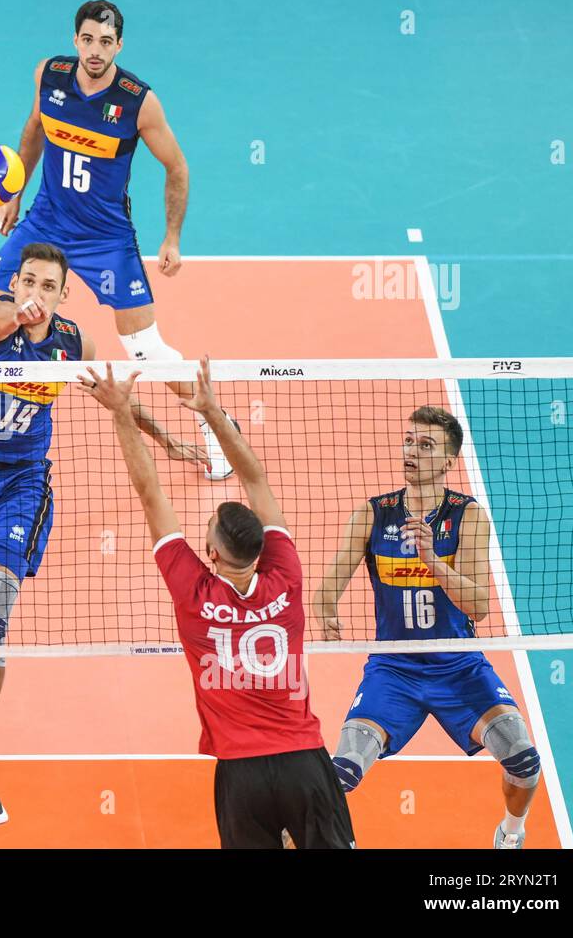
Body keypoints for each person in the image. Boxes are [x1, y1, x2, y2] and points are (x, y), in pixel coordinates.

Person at [0, 241, 207, 832]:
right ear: (16, 280)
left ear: (63, 293)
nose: (35, 292)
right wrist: (15, 313)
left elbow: (112, 394)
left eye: (48, 286)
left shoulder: (74, 342)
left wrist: (161, 438)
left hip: (21, 487)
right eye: (28, 280)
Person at [0, 0, 236, 478]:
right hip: (46, 221)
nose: (95, 50)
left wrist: (172, 238)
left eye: (106, 42)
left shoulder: (139, 101)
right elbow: (34, 128)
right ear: (75, 39)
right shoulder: (49, 75)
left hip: (106, 238)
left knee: (147, 350)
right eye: (87, 40)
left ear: (119, 45)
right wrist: (14, 191)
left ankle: (216, 426)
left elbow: (176, 166)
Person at [85, 357, 355, 848]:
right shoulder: (286, 578)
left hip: (241, 775)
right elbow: (256, 480)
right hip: (304, 764)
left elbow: (151, 494)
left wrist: (121, 412)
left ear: (210, 554)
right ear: (262, 548)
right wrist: (210, 411)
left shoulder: (193, 593)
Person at [313, 406, 541, 849]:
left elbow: (478, 607)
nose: (411, 451)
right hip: (394, 671)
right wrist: (326, 613)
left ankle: (510, 833)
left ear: (448, 460)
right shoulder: (373, 514)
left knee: (524, 761)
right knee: (338, 774)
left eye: (426, 445)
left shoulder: (467, 516)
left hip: (459, 668)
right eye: (409, 440)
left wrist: (433, 561)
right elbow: (326, 588)